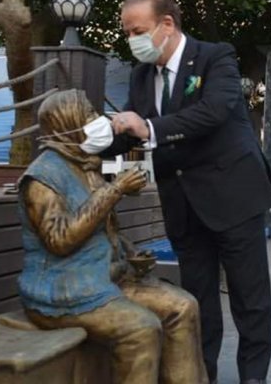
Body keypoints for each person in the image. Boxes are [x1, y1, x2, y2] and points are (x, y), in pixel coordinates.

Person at [106, 0, 271, 384]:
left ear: (167, 24)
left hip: (234, 195)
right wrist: (92, 137)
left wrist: (148, 127)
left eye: (139, 30)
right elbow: (131, 134)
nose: (133, 40)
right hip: (182, 202)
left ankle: (254, 377)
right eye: (127, 32)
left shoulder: (216, 56)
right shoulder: (141, 75)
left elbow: (213, 112)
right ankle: (202, 374)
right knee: (197, 302)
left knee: (249, 299)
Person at [19, 90, 208, 383]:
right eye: (89, 116)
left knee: (183, 307)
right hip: (63, 289)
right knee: (141, 329)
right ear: (66, 124)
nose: (98, 121)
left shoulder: (84, 162)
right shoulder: (42, 177)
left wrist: (126, 252)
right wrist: (114, 190)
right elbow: (60, 240)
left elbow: (98, 231)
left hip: (103, 278)